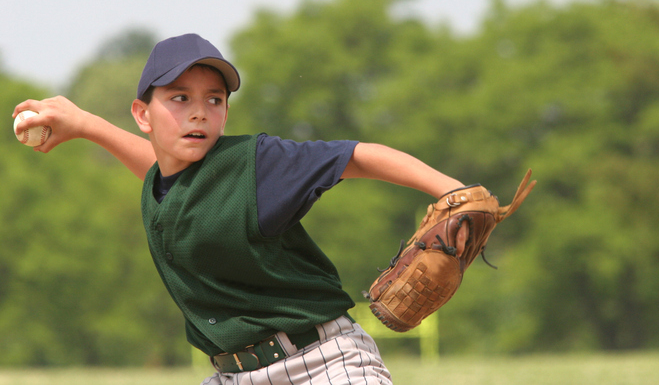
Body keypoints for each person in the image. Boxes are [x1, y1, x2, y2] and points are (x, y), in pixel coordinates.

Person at [13, 33, 464, 385]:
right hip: (234, 374)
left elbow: (356, 155)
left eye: (214, 99)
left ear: (226, 114)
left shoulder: (256, 165)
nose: (199, 112)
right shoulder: (168, 183)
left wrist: (453, 193)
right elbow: (160, 166)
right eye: (179, 97)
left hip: (323, 364)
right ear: (142, 114)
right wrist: (86, 124)